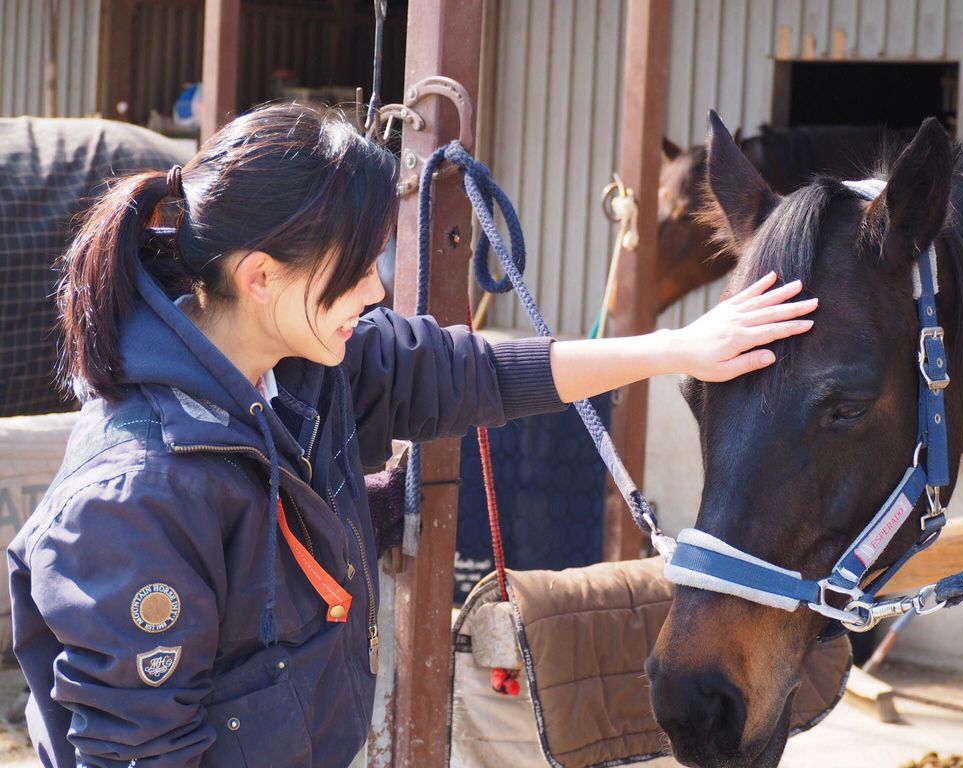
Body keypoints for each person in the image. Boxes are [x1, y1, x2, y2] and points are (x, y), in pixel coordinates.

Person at [7, 102, 816, 768]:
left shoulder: (307, 360)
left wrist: (678, 348)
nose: (377, 286)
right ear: (259, 278)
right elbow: (134, 754)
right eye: (357, 265)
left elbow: (473, 375)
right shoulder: (137, 499)